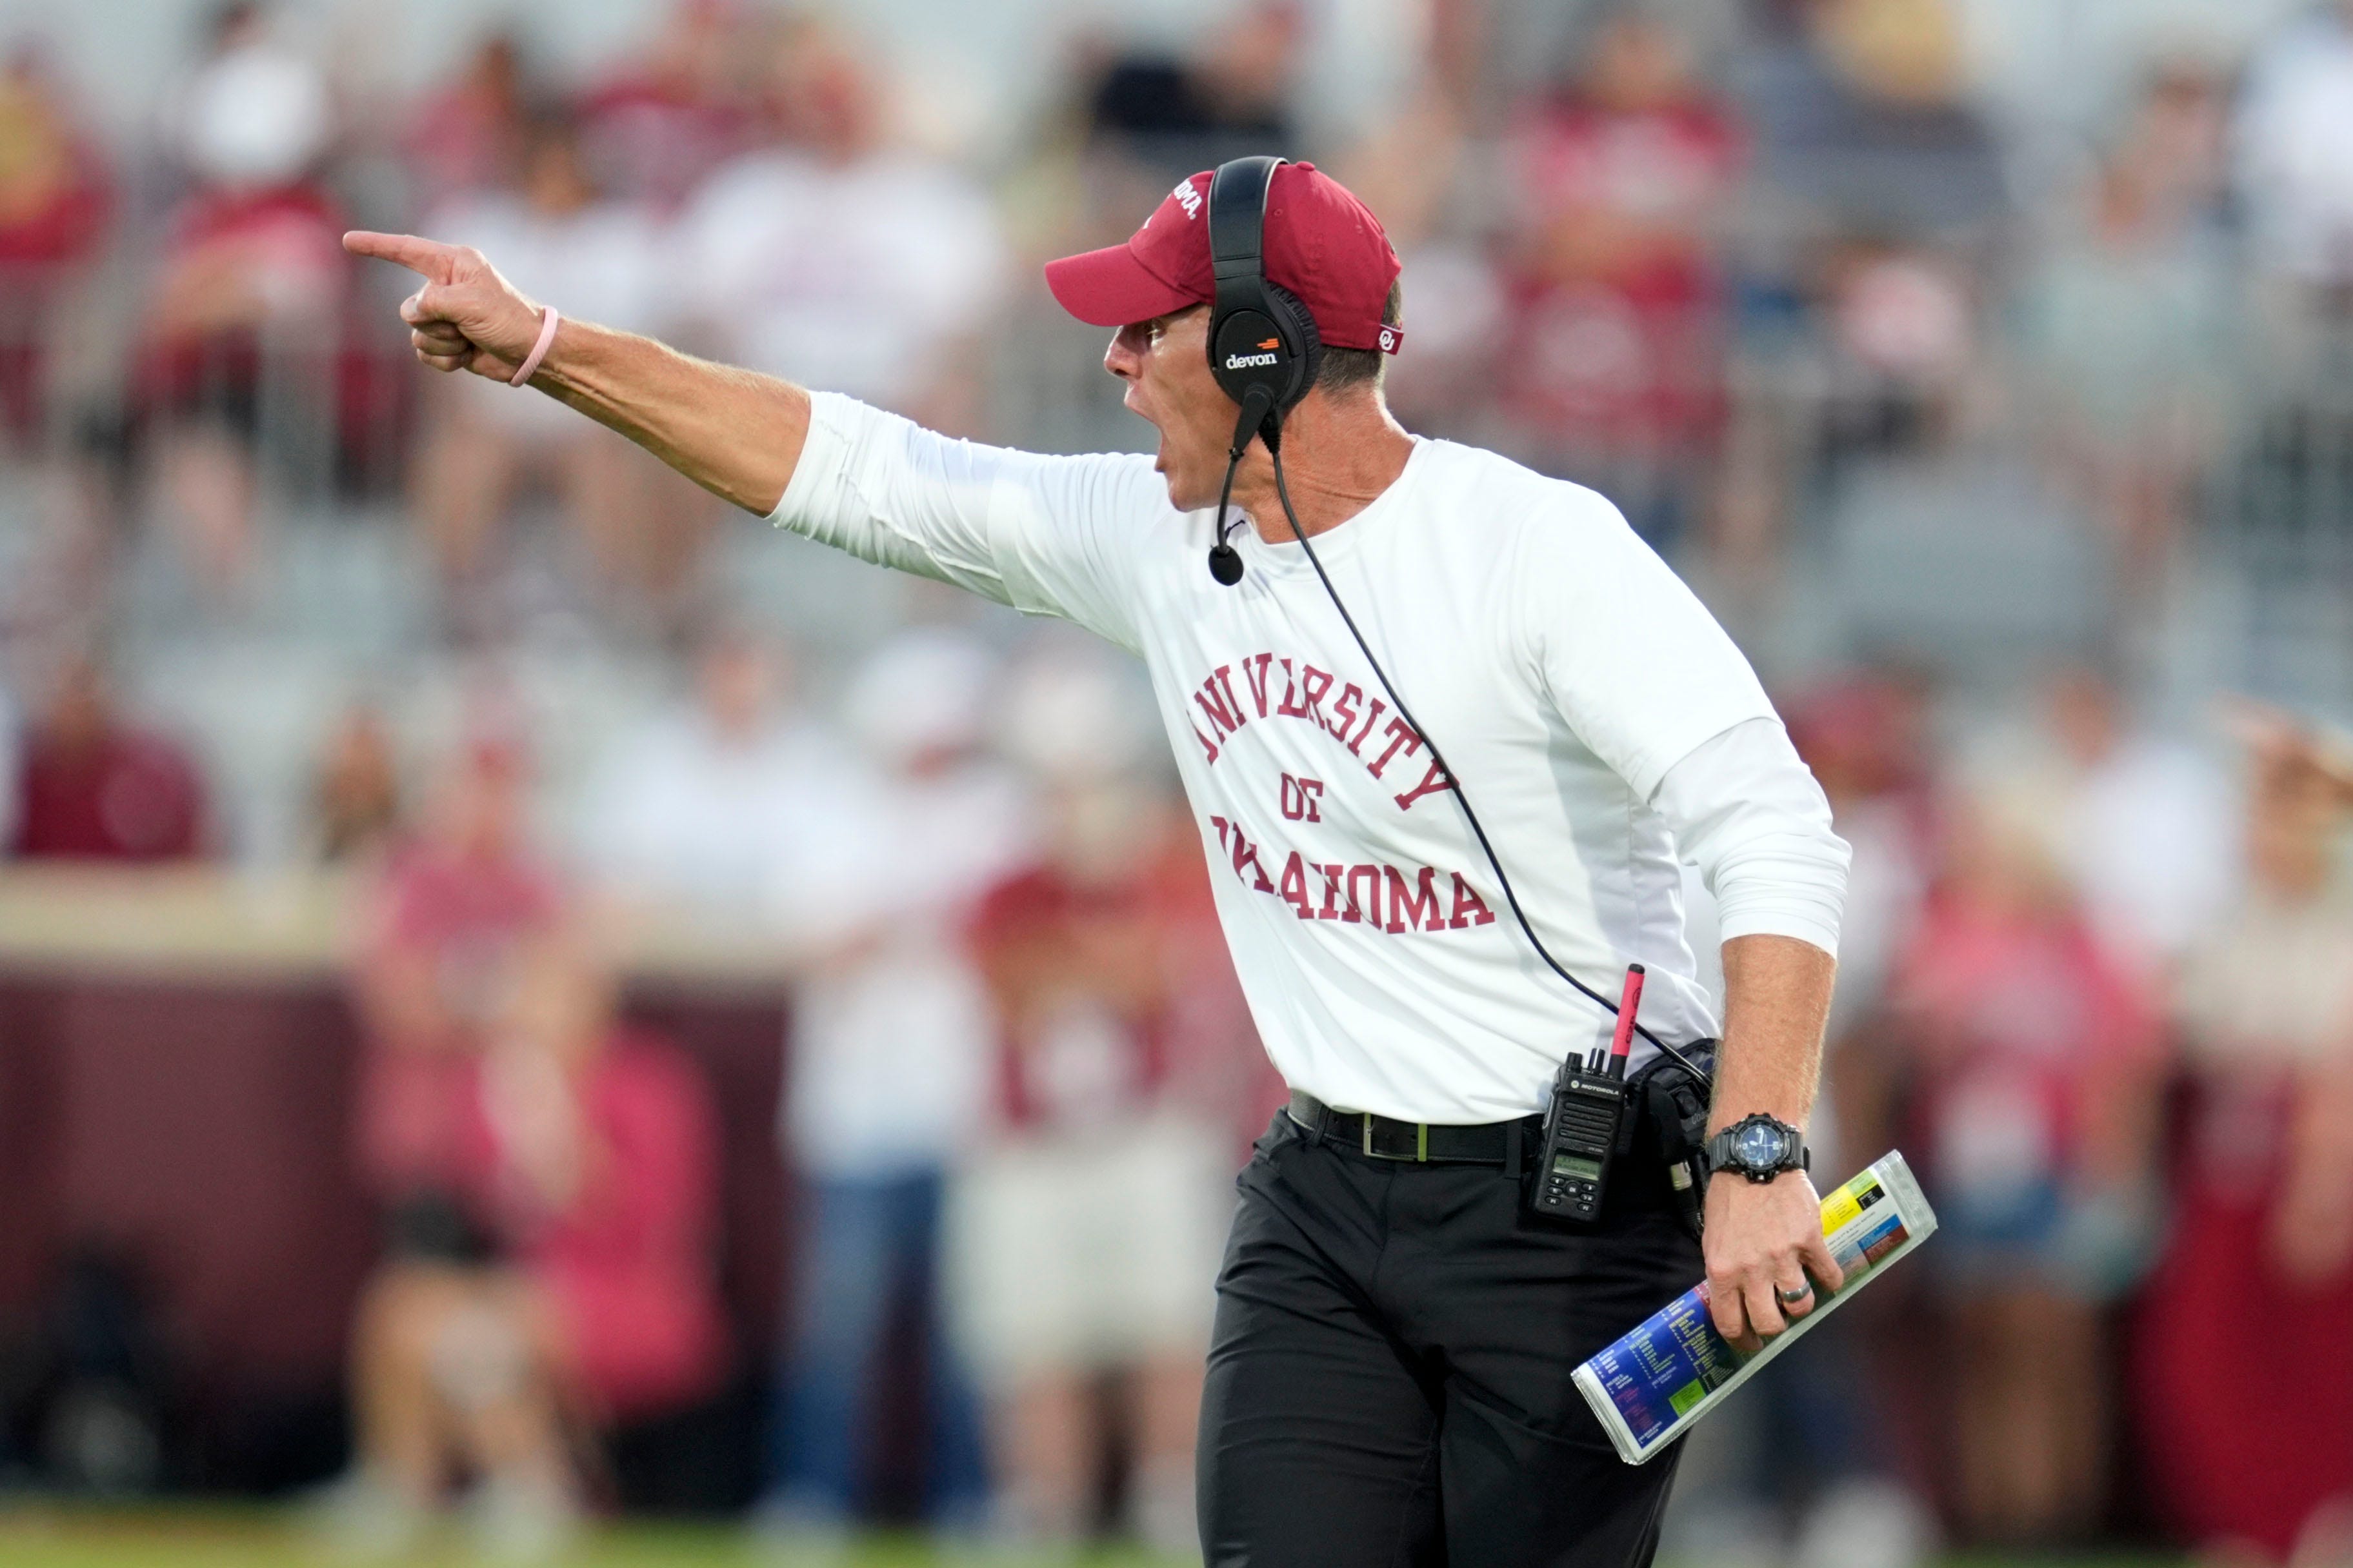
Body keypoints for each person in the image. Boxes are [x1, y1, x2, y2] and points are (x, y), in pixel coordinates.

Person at [346, 150, 1852, 1567]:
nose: (1118, 364)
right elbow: (861, 473)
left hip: (1570, 1210)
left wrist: (1758, 1153)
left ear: (1260, 353)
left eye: (1151, 328)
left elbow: (1774, 833)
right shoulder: (1159, 536)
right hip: (1326, 1193)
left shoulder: (1537, 552)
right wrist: (550, 350)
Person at [951, 651, 1247, 1554]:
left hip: (1146, 1128)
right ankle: (1046, 1500)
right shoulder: (1006, 889)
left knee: (1167, 1325)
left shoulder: (1166, 871)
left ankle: (1167, 1492)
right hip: (1033, 1139)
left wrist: (1089, 962)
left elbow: (1159, 972)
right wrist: (1100, 962)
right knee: (1034, 1337)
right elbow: (1010, 986)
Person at [337, 933, 728, 1559]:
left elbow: (647, 1220)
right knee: (402, 1304)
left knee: (491, 1328)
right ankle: (400, 1486)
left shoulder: (651, 1082)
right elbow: (478, 1196)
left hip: (642, 1298)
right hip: (538, 1284)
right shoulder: (499, 1083)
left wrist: (556, 1133)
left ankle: (535, 1490)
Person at [755, 628, 1020, 1549]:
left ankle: (972, 1498)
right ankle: (814, 1493)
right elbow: (817, 946)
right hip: (854, 1112)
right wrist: (907, 921)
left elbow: (1009, 944)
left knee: (970, 1329)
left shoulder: (999, 811)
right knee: (839, 1326)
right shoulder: (834, 810)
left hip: (966, 1107)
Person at [2139, 709, 2353, 1567]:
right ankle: (2247, 1528)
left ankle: (2306, 1527)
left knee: (2310, 1369)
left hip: (2300, 1171)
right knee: (2201, 1365)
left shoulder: (2336, 927)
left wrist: (2325, 1178)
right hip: (2226, 1172)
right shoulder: (2240, 918)